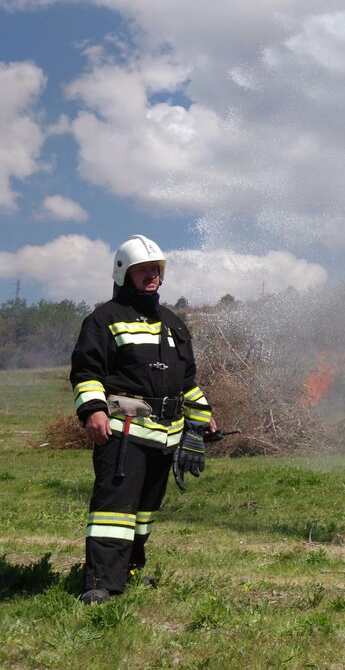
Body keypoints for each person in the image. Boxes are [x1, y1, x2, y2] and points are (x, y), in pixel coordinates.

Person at [69, 235, 216, 604]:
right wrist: (93, 410)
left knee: (144, 512)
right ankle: (101, 583)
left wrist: (203, 420)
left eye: (156, 269)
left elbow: (186, 383)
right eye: (143, 270)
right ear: (124, 273)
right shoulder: (104, 319)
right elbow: (87, 371)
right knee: (113, 511)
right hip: (123, 430)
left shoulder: (174, 324)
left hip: (166, 435)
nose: (152, 276)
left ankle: (130, 570)